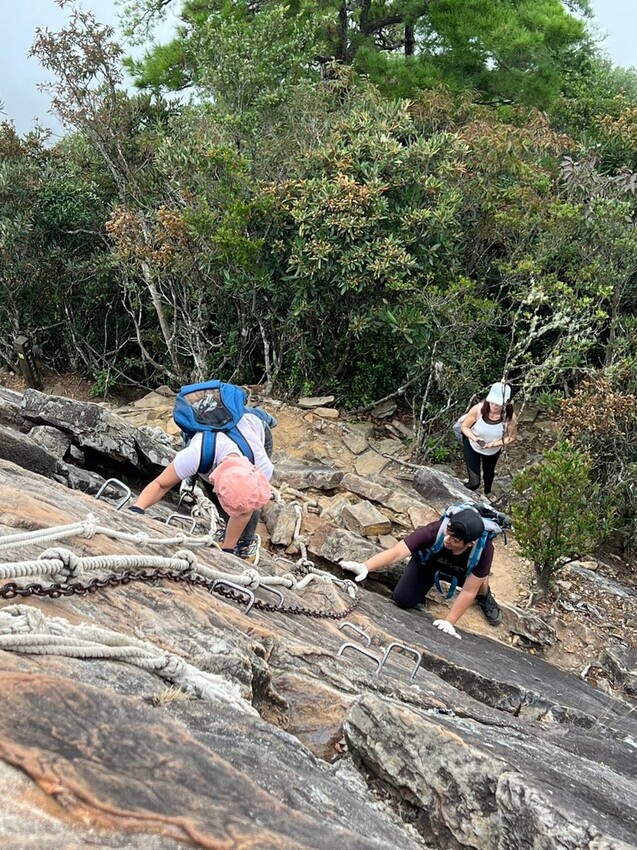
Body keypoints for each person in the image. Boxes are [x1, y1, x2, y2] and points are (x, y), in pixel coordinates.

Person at [129, 410, 273, 562]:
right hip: (212, 436)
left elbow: (245, 510)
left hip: (256, 426)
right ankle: (230, 534)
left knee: (247, 500)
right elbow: (160, 484)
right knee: (219, 498)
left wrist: (227, 552)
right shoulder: (195, 454)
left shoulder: (262, 468)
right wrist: (136, 510)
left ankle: (245, 541)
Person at [340, 508, 501, 636]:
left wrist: (449, 622)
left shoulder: (483, 551)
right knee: (402, 599)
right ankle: (419, 592)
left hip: (464, 570)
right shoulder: (437, 530)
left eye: (455, 540)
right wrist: (366, 566)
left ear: (470, 544)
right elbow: (398, 551)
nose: (447, 540)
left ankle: (484, 596)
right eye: (448, 533)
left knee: (479, 583)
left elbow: (468, 591)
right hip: (431, 562)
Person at [460, 382, 517, 500]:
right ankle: (459, 493)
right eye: (492, 402)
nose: (494, 406)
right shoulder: (478, 409)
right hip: (473, 446)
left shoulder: (510, 417)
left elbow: (511, 437)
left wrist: (495, 444)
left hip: (492, 450)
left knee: (489, 472)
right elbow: (464, 427)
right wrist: (475, 439)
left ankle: (488, 491)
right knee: (474, 483)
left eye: (498, 404)